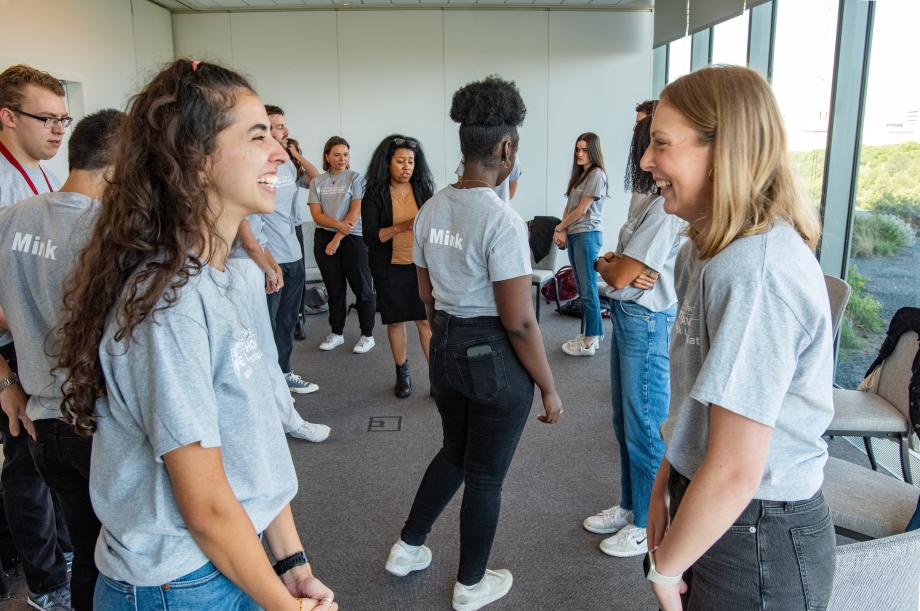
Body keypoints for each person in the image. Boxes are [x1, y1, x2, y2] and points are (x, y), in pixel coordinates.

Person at [55, 59, 337, 611]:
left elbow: (252, 440)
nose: (279, 153)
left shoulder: (224, 276)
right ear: (197, 158)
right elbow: (205, 506)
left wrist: (292, 562)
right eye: (258, 136)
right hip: (177, 584)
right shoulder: (170, 305)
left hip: (232, 558)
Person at [642, 66, 835, 610]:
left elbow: (735, 470)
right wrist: (665, 479)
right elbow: (698, 406)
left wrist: (665, 569)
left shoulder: (757, 271)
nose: (646, 162)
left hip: (760, 532)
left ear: (723, 149)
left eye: (661, 144)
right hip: (712, 500)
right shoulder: (701, 253)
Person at [384, 76, 563, 611]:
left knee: (455, 453)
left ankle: (407, 547)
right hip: (492, 357)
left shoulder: (432, 208)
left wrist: (447, 338)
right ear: (506, 149)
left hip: (443, 348)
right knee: (485, 475)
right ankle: (470, 584)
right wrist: (549, 388)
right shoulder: (502, 221)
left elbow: (425, 293)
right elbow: (521, 322)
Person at [0, 109, 124, 610]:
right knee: (114, 557)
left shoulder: (13, 217)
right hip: (97, 424)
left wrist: (6, 381)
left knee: (86, 546)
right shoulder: (112, 231)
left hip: (42, 423)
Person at [586, 113, 687, 558]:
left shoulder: (667, 208)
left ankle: (649, 525)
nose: (640, 148)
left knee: (645, 425)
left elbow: (622, 269)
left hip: (647, 321)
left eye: (648, 136)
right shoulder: (650, 198)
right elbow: (615, 266)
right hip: (627, 313)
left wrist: (613, 266)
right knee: (622, 421)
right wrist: (611, 265)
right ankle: (631, 507)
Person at [0, 63, 72, 610]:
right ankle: (47, 588)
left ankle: (63, 559)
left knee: (51, 455)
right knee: (26, 463)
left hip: (42, 341)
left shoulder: (46, 175)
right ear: (7, 116)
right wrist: (4, 379)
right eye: (46, 118)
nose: (57, 130)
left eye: (64, 119)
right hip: (11, 351)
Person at [362, 135, 435, 398]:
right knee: (395, 323)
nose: (407, 167)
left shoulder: (424, 190)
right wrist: (403, 226)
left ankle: (435, 377)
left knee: (425, 323)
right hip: (389, 267)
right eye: (401, 161)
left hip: (420, 267)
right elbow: (371, 236)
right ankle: (402, 372)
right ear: (388, 163)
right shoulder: (374, 194)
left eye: (411, 162)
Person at [262, 104, 321, 393]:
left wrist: (295, 154)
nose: (286, 130)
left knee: (287, 321)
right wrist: (268, 263)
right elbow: (251, 221)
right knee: (267, 326)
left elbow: (317, 180)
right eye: (279, 126)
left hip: (294, 254)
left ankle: (284, 374)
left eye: (284, 125)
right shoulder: (256, 167)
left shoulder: (286, 162)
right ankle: (269, 384)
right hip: (270, 259)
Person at [308, 136, 376, 354]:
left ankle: (367, 335)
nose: (342, 159)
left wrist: (338, 237)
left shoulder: (356, 178)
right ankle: (336, 333)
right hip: (324, 238)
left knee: (362, 288)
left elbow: (355, 212)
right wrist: (338, 227)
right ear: (327, 156)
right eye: (337, 155)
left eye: (345, 154)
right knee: (335, 290)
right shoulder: (317, 182)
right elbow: (317, 216)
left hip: (353, 239)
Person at [554, 132, 608, 357]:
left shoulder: (597, 174)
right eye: (578, 149)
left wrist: (559, 228)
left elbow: (582, 210)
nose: (579, 153)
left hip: (587, 235)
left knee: (588, 290)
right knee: (583, 289)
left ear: (593, 152)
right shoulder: (581, 176)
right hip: (576, 234)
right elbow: (569, 207)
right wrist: (564, 229)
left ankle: (590, 340)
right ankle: (592, 334)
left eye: (585, 150)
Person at [455, 156, 520, 205]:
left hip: (500, 212)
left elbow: (511, 192)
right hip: (474, 209)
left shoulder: (512, 157)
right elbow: (462, 184)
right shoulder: (470, 153)